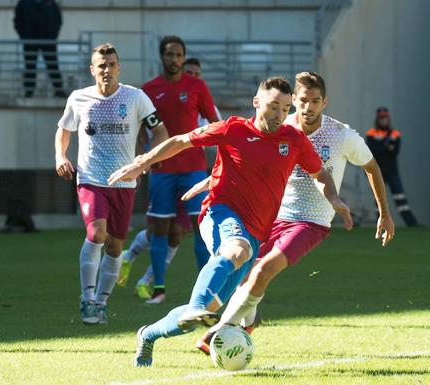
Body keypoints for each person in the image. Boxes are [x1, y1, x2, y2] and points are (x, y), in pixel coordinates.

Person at [108, 76, 353, 367]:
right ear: (257, 102)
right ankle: (197, 306)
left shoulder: (294, 140)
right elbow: (181, 141)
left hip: (255, 233)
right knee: (235, 251)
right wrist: (142, 162)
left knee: (203, 313)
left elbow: (320, 173)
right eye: (274, 106)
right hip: (219, 213)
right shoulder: (233, 128)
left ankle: (148, 335)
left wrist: (335, 199)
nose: (279, 115)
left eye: (286, 109)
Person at [191, 72, 396, 354]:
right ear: (294, 102)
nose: (308, 107)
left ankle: (217, 333)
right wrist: (209, 182)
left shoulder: (342, 135)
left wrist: (384, 213)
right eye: (303, 100)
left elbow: (371, 166)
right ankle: (236, 320)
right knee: (243, 273)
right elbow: (243, 158)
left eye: (315, 101)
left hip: (310, 222)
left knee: (262, 270)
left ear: (325, 102)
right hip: (270, 217)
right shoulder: (281, 127)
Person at [55, 43, 168, 325]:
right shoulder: (79, 98)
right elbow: (64, 130)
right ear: (92, 70)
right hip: (91, 178)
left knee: (116, 247)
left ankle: (102, 303)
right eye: (101, 65)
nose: (107, 70)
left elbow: (161, 130)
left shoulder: (135, 98)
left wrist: (146, 160)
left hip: (125, 182)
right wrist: (60, 156)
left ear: (119, 67)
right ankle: (87, 299)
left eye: (112, 64)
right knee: (96, 234)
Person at [118, 56, 221, 301]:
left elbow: (220, 129)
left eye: (198, 73)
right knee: (161, 229)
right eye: (190, 73)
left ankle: (199, 291)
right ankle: (137, 266)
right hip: (164, 171)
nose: (193, 77)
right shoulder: (154, 90)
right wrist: (143, 157)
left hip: (194, 172)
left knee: (185, 231)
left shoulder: (202, 96)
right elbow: (144, 127)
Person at [366, 107, 418, 226]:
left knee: (400, 197)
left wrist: (381, 145)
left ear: (388, 119)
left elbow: (395, 151)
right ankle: (379, 223)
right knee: (379, 199)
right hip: (377, 171)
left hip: (392, 171)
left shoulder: (395, 133)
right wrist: (386, 145)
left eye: (385, 118)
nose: (383, 121)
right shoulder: (371, 133)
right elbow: (372, 150)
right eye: (381, 118)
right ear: (377, 119)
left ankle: (411, 223)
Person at [14, 0, 65, 98]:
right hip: (30, 41)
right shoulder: (24, 3)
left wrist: (53, 35)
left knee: (52, 64)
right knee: (30, 66)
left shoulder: (50, 2)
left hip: (48, 41)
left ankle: (58, 89)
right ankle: (29, 91)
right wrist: (24, 36)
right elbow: (18, 21)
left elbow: (58, 19)